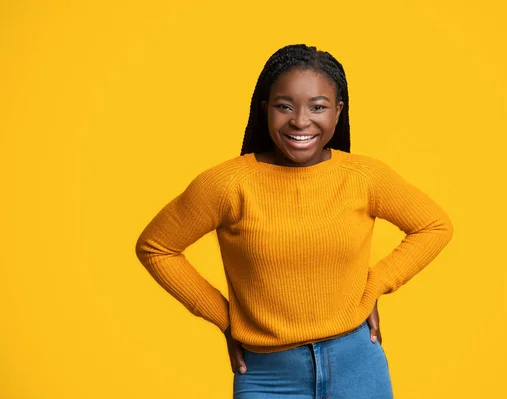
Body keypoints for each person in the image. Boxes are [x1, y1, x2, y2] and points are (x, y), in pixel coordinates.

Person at [135, 44, 454, 398]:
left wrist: (374, 284)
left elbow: (434, 226)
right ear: (265, 110)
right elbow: (156, 247)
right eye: (284, 106)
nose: (301, 121)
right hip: (268, 377)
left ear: (337, 111)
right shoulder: (227, 185)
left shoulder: (364, 176)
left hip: (357, 367)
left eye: (318, 107)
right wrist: (226, 320)